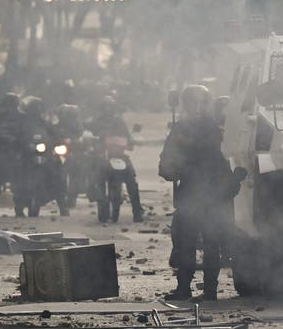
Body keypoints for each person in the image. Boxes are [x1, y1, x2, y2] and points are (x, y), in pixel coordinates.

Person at [160, 84, 236, 301]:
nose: (196, 106)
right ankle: (195, 289)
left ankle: (198, 289)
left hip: (202, 193)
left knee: (201, 243)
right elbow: (167, 162)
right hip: (201, 194)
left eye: (198, 102)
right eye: (193, 102)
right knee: (191, 242)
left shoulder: (190, 129)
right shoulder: (210, 129)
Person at [90, 95, 144, 223]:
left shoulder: (119, 122)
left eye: (110, 107)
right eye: (105, 107)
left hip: (120, 156)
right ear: (101, 108)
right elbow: (89, 135)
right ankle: (102, 207)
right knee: (99, 178)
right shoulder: (96, 121)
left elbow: (128, 137)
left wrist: (131, 141)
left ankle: (137, 211)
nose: (108, 110)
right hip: (103, 156)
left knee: (131, 180)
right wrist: (93, 142)